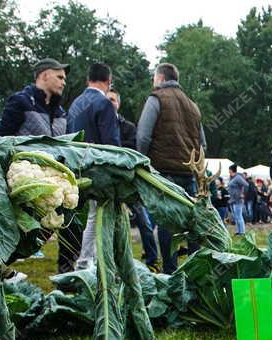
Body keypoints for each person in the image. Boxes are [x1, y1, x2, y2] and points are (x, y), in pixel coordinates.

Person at [136, 62, 206, 274]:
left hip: (164, 172)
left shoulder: (156, 98)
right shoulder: (193, 106)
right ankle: (195, 271)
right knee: (192, 223)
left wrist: (142, 163)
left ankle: (169, 271)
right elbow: (203, 144)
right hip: (189, 174)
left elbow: (143, 135)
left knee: (166, 223)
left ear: (160, 78)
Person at [67, 63, 121, 272]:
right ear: (108, 82)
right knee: (99, 216)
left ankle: (86, 260)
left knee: (87, 216)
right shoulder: (104, 104)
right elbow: (111, 144)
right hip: (98, 169)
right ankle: (90, 261)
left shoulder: (75, 104)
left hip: (76, 167)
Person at [109, 88, 158, 269]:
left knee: (144, 223)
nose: (110, 102)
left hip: (128, 183)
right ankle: (112, 261)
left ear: (118, 103)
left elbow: (133, 151)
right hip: (107, 183)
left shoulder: (128, 127)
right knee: (109, 225)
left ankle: (152, 259)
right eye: (108, 99)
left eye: (113, 99)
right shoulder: (100, 124)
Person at [0, 58, 68, 137]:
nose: (64, 83)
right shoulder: (20, 102)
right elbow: (0, 139)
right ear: (44, 76)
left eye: (64, 79)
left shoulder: (61, 112)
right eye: (60, 77)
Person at [227, 164, 249, 235]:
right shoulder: (232, 177)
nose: (229, 171)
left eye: (229, 170)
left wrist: (243, 194)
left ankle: (242, 232)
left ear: (231, 170)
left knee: (239, 216)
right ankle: (238, 231)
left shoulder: (238, 177)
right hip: (232, 200)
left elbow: (246, 185)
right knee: (236, 217)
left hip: (238, 200)